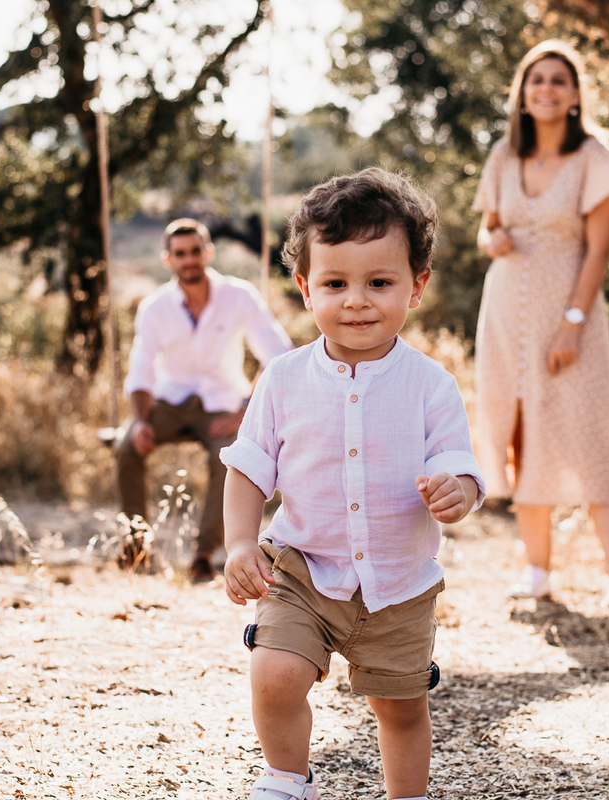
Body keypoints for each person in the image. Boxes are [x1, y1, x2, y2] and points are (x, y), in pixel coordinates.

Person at [220, 168, 485, 800]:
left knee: (401, 709)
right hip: (301, 572)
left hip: (397, 585)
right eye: (335, 283)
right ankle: (287, 779)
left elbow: (461, 465)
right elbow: (248, 467)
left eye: (379, 283)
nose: (357, 300)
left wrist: (457, 490)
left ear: (416, 286)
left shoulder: (430, 384)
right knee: (274, 673)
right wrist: (239, 544)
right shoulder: (283, 379)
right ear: (305, 288)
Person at [472, 41, 609, 606]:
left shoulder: (594, 159)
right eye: (536, 80)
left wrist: (573, 322)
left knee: (588, 432)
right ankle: (537, 570)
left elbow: (599, 250)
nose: (545, 89)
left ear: (575, 95)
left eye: (557, 80)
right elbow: (487, 229)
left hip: (570, 314)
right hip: (505, 313)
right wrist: (492, 239)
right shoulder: (503, 155)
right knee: (520, 430)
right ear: (522, 94)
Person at [117, 218, 291, 580]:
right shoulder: (155, 306)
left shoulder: (239, 295)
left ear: (208, 253)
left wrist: (244, 411)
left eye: (195, 251)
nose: (189, 260)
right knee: (126, 446)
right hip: (170, 400)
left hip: (223, 402)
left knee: (231, 457)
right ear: (168, 259)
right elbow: (141, 369)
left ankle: (203, 553)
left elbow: (277, 354)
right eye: (180, 254)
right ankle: (136, 546)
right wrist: (142, 421)